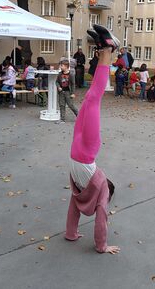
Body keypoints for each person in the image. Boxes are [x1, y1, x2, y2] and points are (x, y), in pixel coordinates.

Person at [65, 23, 120, 254]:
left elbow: (101, 218)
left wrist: (103, 246)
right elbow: (75, 207)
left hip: (86, 152)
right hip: (74, 159)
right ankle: (102, 48)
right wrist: (70, 233)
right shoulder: (80, 188)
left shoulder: (102, 190)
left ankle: (108, 48)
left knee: (94, 97)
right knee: (89, 98)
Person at [56, 59, 78, 124]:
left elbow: (73, 84)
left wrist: (73, 93)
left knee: (71, 105)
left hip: (68, 92)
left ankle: (79, 116)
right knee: (61, 105)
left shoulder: (71, 74)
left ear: (66, 66)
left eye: (61, 65)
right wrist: (58, 87)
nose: (60, 67)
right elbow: (57, 82)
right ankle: (62, 119)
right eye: (60, 65)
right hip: (61, 93)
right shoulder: (60, 74)